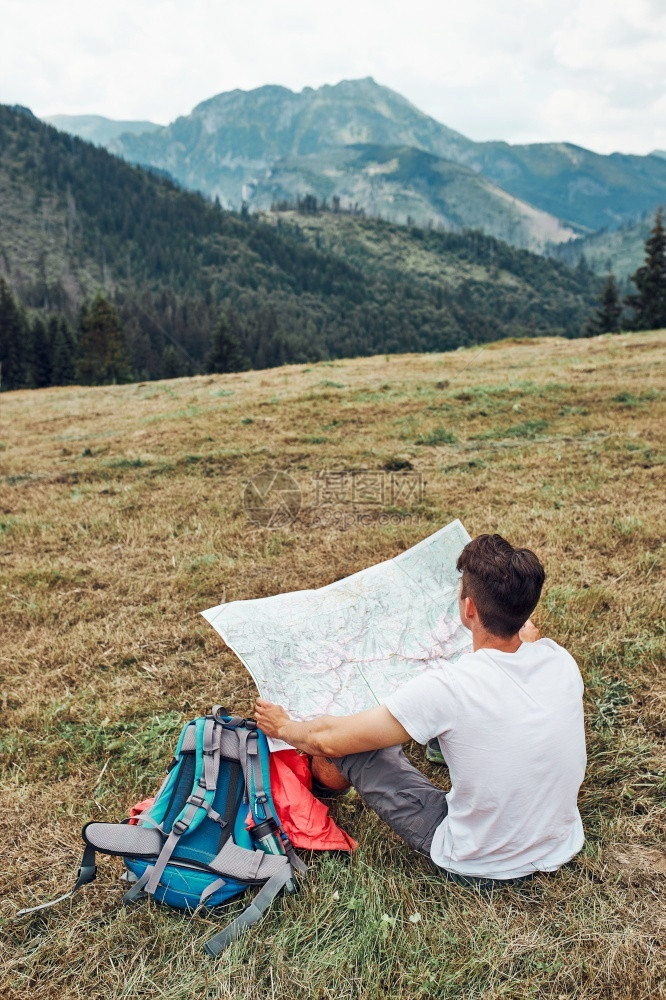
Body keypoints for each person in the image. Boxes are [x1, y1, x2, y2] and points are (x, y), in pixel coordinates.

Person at [255, 533, 587, 888]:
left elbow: (331, 740)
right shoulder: (559, 659)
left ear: (469, 608)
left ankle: (326, 786)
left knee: (358, 747)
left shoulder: (450, 687)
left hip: (479, 861)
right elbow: (518, 654)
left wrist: (284, 727)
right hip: (560, 842)